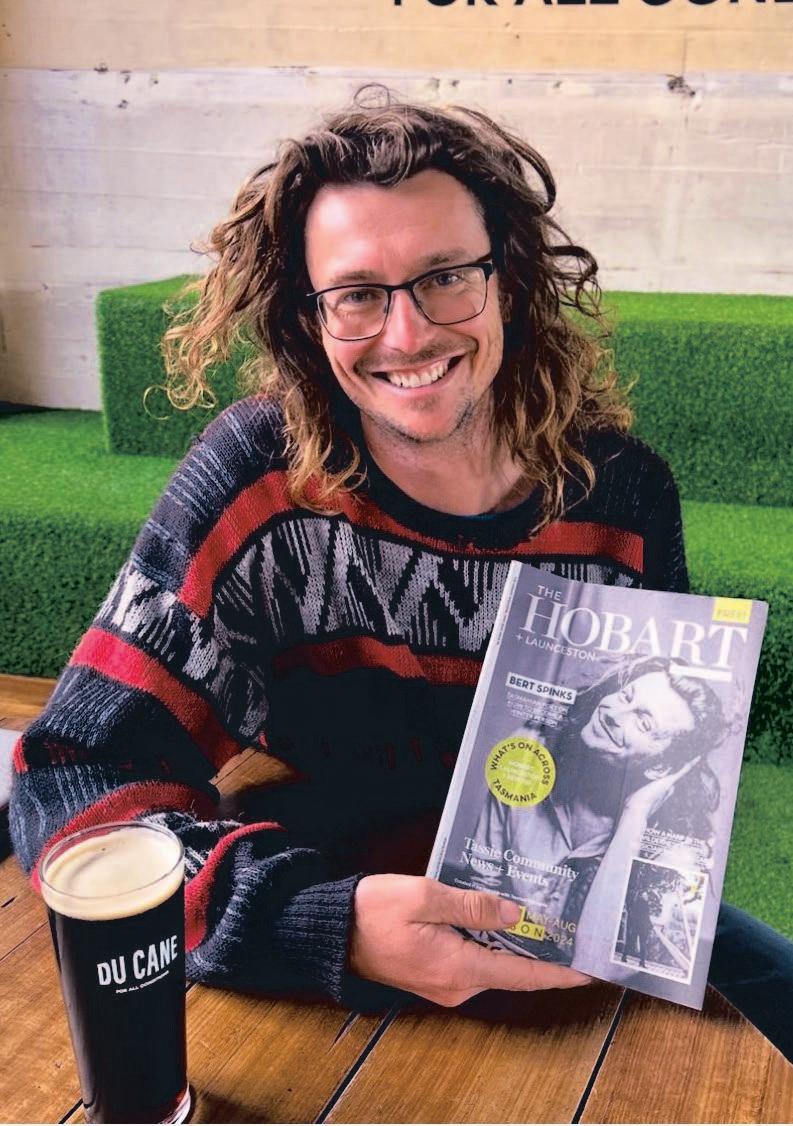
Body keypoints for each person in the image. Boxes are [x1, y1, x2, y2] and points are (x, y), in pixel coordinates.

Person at [9, 89, 793, 1055]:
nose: (408, 334)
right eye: (357, 294)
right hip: (333, 885)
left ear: (508, 280)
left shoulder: (620, 496)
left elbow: (674, 791)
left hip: (562, 903)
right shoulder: (258, 483)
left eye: (445, 277)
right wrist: (323, 923)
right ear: (308, 316)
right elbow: (72, 773)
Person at [462, 656, 724, 970]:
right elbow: (481, 887)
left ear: (660, 768)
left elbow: (597, 965)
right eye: (625, 696)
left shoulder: (676, 847)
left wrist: (635, 814)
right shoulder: (531, 752)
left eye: (643, 723)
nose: (613, 713)